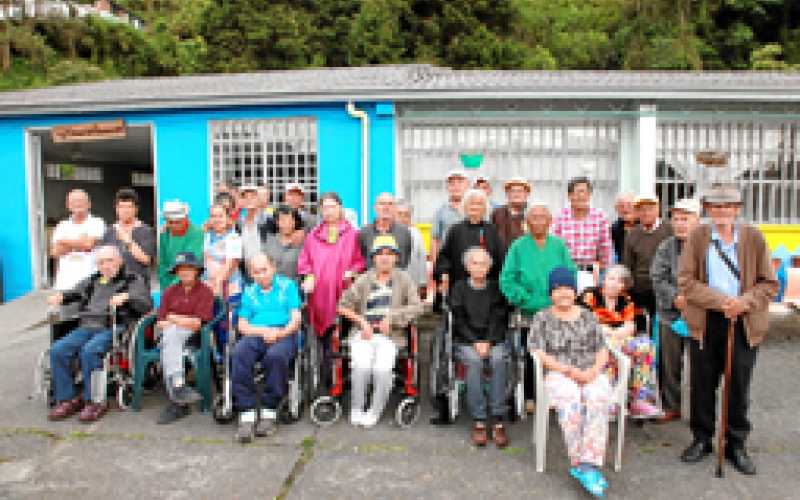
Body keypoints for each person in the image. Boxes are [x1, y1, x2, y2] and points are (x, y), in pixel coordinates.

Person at [677, 184, 778, 475]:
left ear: (737, 210)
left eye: (727, 207)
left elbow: (769, 284)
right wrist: (722, 302)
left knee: (738, 386)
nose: (721, 212)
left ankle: (736, 444)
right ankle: (702, 439)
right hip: (707, 320)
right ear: (707, 210)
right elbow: (686, 280)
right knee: (702, 384)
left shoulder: (754, 238)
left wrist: (743, 302)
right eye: (715, 207)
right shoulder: (698, 237)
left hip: (743, 322)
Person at [528, 267, 612, 497]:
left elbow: (602, 349)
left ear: (575, 291)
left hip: (590, 371)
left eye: (568, 288)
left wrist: (593, 371)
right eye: (557, 289)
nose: (563, 293)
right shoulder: (542, 317)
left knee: (598, 397)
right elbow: (537, 351)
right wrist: (565, 369)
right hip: (560, 372)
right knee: (571, 398)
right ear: (550, 293)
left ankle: (590, 464)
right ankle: (579, 463)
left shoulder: (587, 315)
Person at [46, 246, 151, 423]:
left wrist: (127, 297)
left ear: (119, 261)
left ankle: (94, 401)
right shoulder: (94, 280)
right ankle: (67, 398)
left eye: (109, 261)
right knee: (58, 349)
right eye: (101, 262)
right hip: (87, 326)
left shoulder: (133, 279)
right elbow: (74, 292)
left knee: (90, 351)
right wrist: (61, 297)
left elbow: (145, 304)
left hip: (113, 326)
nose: (105, 265)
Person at [338, 235, 424, 427]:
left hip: (390, 336)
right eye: (380, 254)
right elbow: (342, 306)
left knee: (382, 369)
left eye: (389, 254)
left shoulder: (404, 279)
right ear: (373, 258)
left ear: (396, 258)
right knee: (361, 366)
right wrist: (361, 322)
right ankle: (357, 407)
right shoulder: (363, 280)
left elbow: (418, 307)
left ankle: (375, 411)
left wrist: (392, 317)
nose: (385, 258)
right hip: (364, 333)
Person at [500, 202, 575, 410]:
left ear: (550, 222)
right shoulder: (518, 246)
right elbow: (507, 278)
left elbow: (571, 273)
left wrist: (562, 298)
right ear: (527, 223)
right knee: (531, 353)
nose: (539, 221)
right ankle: (531, 396)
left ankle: (554, 394)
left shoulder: (559, 245)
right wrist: (522, 298)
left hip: (556, 310)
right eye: (534, 217)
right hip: (528, 312)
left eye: (543, 217)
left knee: (558, 352)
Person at [232, 254, 302, 443]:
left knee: (276, 357)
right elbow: (242, 325)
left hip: (284, 333)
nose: (261, 275)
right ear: (251, 274)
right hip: (256, 333)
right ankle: (246, 412)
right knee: (239, 352)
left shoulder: (288, 287)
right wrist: (264, 331)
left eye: (264, 270)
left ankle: (269, 410)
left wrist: (278, 334)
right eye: (256, 272)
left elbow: (296, 319)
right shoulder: (249, 292)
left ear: (273, 268)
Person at [579, 265, 662, 418]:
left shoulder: (626, 300)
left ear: (623, 286)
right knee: (609, 349)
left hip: (618, 340)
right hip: (592, 341)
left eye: (619, 281)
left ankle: (639, 399)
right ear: (604, 280)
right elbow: (585, 322)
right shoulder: (590, 295)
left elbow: (631, 326)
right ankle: (609, 400)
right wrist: (610, 332)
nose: (614, 283)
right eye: (611, 278)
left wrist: (614, 333)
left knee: (645, 345)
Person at [449, 247, 510, 448]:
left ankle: (498, 417)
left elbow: (498, 317)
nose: (478, 267)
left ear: (489, 267)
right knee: (474, 362)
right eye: (474, 263)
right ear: (467, 266)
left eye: (483, 263)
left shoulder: (495, 288)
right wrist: (475, 341)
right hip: (466, 340)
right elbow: (458, 319)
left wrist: (489, 341)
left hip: (493, 338)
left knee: (499, 359)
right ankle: (479, 419)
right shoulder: (459, 288)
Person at [650, 197, 701, 423]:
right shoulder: (666, 246)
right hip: (670, 314)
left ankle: (703, 410)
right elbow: (657, 276)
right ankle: (671, 405)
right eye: (676, 219)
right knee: (669, 364)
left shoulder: (708, 246)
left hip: (701, 315)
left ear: (697, 220)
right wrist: (674, 298)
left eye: (686, 219)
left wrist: (692, 300)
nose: (680, 223)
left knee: (702, 365)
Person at [155, 252, 214, 424]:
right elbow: (160, 321)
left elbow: (197, 323)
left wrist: (173, 318)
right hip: (169, 333)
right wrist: (174, 322)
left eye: (189, 268)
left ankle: (176, 400)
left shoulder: (205, 292)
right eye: (181, 269)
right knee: (170, 337)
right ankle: (178, 387)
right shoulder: (170, 291)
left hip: (194, 336)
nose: (184, 272)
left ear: (196, 271)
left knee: (170, 337)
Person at [297, 192, 366, 339]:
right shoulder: (313, 235)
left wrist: (352, 272)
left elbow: (359, 261)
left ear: (340, 208)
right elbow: (305, 261)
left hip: (344, 292)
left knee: (341, 337)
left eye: (332, 207)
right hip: (319, 295)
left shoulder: (353, 234)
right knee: (320, 339)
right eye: (325, 207)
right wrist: (308, 277)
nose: (328, 211)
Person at [435, 189, 504, 292]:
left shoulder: (492, 230)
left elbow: (501, 258)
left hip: (488, 287)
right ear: (465, 207)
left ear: (485, 208)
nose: (475, 206)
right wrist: (443, 274)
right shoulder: (455, 230)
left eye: (479, 204)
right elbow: (444, 256)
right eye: (471, 203)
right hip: (459, 286)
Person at [551, 177, 612, 291]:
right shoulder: (560, 217)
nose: (581, 196)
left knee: (589, 306)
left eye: (585, 192)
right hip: (566, 272)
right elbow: (555, 249)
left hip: (591, 273)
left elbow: (605, 250)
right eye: (578, 192)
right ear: (569, 196)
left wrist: (603, 274)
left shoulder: (600, 216)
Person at [622, 194, 672, 321]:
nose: (645, 213)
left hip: (666, 289)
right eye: (641, 209)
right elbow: (627, 266)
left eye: (650, 208)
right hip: (640, 290)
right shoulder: (632, 235)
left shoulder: (670, 230)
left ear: (657, 209)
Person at [51, 189, 106, 291]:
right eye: (74, 201)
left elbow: (88, 244)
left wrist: (64, 241)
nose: (78, 203)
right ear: (68, 205)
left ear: (89, 204)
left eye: (81, 200)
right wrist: (80, 242)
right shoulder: (62, 225)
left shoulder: (97, 223)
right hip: (66, 285)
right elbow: (55, 252)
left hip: (91, 285)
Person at [100, 188, 156, 285]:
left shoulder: (146, 231)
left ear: (136, 209)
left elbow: (147, 260)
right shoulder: (109, 231)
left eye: (129, 207)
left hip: (138, 286)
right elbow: (103, 260)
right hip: (113, 285)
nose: (125, 211)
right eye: (122, 207)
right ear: (117, 209)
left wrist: (128, 242)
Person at [158, 200, 204, 291]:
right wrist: (164, 288)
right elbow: (162, 264)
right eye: (170, 222)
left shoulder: (196, 233)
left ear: (186, 218)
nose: (174, 225)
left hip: (190, 284)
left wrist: (172, 289)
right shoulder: (164, 233)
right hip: (168, 285)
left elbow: (189, 264)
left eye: (178, 222)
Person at [358, 193, 413, 270]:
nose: (386, 207)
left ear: (395, 208)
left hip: (396, 280)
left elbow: (405, 261)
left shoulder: (404, 233)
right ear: (375, 207)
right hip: (370, 280)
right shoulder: (364, 233)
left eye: (390, 204)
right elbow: (362, 261)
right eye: (382, 203)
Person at [203, 204, 243, 298]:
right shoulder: (206, 235)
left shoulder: (234, 237)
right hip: (209, 286)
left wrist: (218, 283)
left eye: (220, 216)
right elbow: (205, 259)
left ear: (227, 217)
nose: (217, 219)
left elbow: (231, 264)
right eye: (213, 216)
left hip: (229, 288)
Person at [430, 170, 469, 264]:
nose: (456, 186)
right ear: (447, 187)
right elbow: (435, 240)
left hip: (471, 263)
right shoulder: (440, 212)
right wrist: (435, 265)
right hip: (448, 262)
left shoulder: (475, 209)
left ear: (467, 185)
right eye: (452, 183)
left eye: (460, 182)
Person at [263, 205, 304, 280]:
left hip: (294, 287)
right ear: (277, 222)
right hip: (273, 287)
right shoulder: (269, 241)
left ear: (295, 222)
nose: (286, 224)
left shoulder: (302, 243)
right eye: (283, 220)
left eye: (290, 220)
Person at [396, 200, 429, 293]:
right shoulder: (387, 232)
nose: (403, 218)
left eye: (406, 215)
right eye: (399, 214)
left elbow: (422, 258)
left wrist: (423, 282)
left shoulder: (416, 233)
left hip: (412, 283)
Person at [491, 177, 531, 249]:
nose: (516, 194)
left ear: (527, 193)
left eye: (520, 191)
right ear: (507, 194)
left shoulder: (532, 213)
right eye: (513, 191)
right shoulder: (497, 213)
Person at [610, 193, 637, 264]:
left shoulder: (644, 225)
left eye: (629, 205)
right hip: (622, 269)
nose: (625, 209)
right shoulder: (615, 228)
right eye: (621, 206)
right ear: (616, 209)